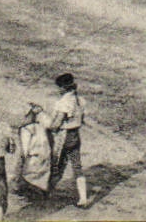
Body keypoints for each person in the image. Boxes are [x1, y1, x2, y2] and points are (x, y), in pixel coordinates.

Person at [46, 72, 91, 207]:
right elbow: (82, 120)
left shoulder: (63, 102)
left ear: (63, 88)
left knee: (56, 165)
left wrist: (48, 128)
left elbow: (57, 123)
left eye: (59, 87)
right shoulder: (80, 100)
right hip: (75, 136)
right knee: (77, 166)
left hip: (63, 137)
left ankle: (47, 191)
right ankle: (83, 198)